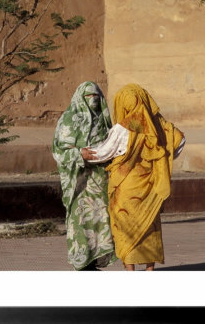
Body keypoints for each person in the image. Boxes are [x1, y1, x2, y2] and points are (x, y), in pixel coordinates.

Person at [83, 83, 185, 271]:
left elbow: (105, 152)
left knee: (125, 227)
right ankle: (149, 269)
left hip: (126, 185)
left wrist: (86, 154)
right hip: (151, 186)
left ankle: (130, 270)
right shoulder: (160, 124)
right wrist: (165, 158)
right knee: (149, 226)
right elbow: (179, 141)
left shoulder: (123, 128)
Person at [52, 81, 117, 271]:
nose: (93, 100)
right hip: (79, 183)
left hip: (99, 181)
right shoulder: (69, 119)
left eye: (96, 96)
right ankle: (82, 264)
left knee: (100, 221)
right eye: (89, 97)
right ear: (80, 98)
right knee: (80, 221)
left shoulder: (103, 119)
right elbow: (59, 150)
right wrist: (80, 154)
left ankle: (95, 262)